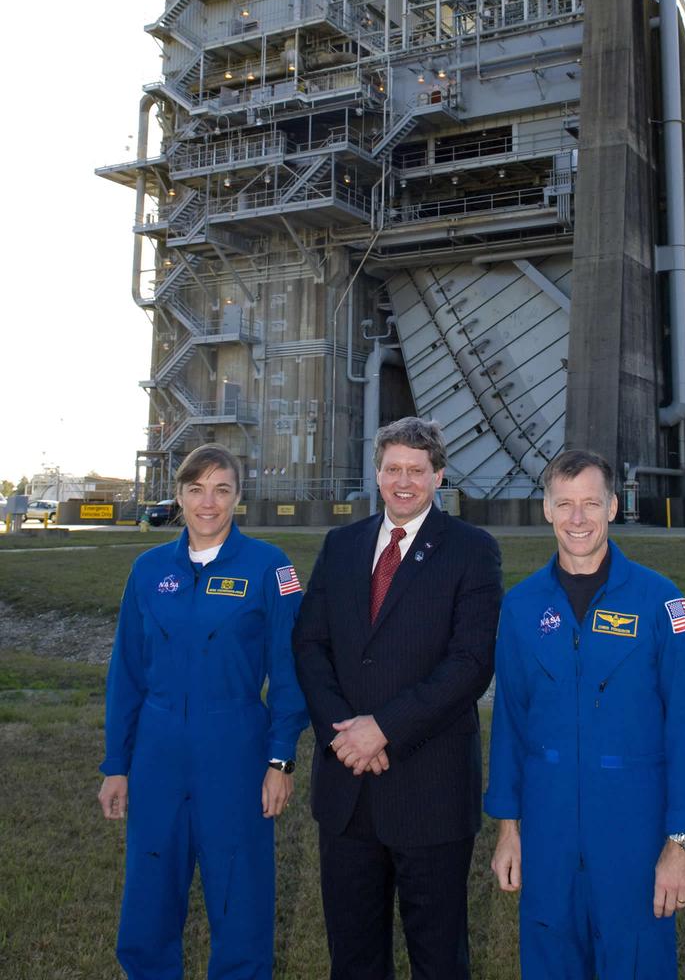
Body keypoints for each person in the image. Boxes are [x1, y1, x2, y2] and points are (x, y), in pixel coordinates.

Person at [486, 449, 685, 980]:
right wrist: (507, 828)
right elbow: (511, 724)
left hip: (632, 837)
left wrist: (682, 844)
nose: (577, 519)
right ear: (546, 508)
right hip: (548, 835)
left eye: (591, 503)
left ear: (613, 506)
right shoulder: (522, 607)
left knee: (635, 959)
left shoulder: (660, 602)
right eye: (564, 504)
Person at [293, 416, 503, 980]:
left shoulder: (472, 550)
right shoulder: (341, 546)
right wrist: (346, 734)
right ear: (377, 473)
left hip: (428, 789)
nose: (403, 481)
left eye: (416, 470)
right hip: (347, 790)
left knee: (438, 959)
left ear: (438, 475)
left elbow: (470, 664)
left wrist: (382, 729)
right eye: (392, 469)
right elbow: (309, 645)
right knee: (354, 957)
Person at [98, 443, 308, 980]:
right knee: (149, 894)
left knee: (241, 896)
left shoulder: (271, 567)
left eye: (221, 489)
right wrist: (115, 765)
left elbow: (290, 671)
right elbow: (127, 673)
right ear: (179, 496)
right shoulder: (148, 570)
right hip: (158, 750)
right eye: (195, 489)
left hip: (235, 748)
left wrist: (280, 760)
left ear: (239, 496)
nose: (207, 503)